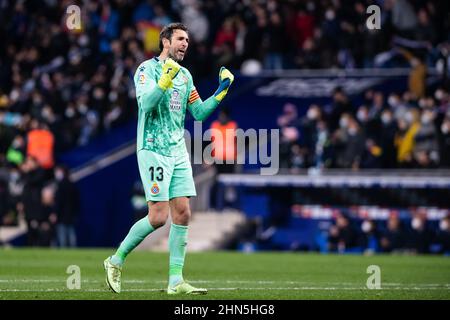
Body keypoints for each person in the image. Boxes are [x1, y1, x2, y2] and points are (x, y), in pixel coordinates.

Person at [103, 23, 234, 295]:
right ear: (165, 42)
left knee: (183, 212)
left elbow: (198, 113)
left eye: (187, 39)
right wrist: (165, 78)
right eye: (180, 39)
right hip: (153, 149)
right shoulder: (146, 70)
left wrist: (221, 91)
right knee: (158, 216)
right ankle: (115, 260)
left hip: (177, 151)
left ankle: (176, 280)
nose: (186, 43)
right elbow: (146, 104)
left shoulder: (185, 76)